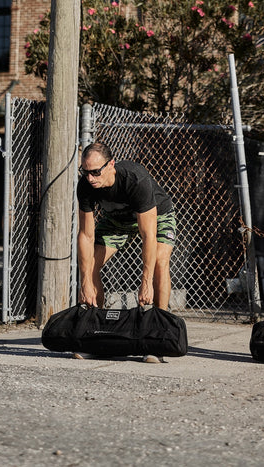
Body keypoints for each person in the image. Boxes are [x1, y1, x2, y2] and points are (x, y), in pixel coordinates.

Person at [76, 142, 176, 363]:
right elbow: (85, 235)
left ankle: (158, 337)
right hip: (117, 221)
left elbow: (148, 235)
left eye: (95, 172)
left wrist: (146, 281)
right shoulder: (85, 186)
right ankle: (96, 333)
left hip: (157, 216)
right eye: (85, 172)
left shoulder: (134, 179)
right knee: (90, 264)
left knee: (160, 262)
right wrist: (85, 281)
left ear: (111, 164)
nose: (90, 178)